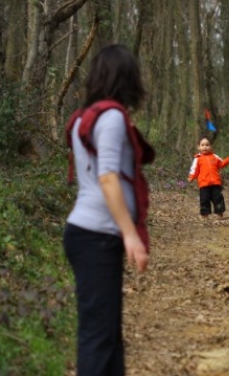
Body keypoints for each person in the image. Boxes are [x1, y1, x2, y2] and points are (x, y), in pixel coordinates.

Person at [63, 44, 154, 376]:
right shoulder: (112, 117)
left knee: (108, 336)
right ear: (126, 77)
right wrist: (131, 235)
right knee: (98, 338)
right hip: (96, 236)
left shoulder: (83, 118)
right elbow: (108, 178)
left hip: (91, 234)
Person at [188, 136, 229, 218]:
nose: (205, 147)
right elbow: (194, 169)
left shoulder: (215, 157)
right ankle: (205, 215)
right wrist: (191, 176)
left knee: (218, 198)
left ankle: (220, 213)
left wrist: (228, 160)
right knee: (204, 200)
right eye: (202, 145)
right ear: (199, 147)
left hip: (216, 183)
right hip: (204, 184)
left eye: (207, 145)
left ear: (211, 146)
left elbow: (221, 163)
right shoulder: (198, 159)